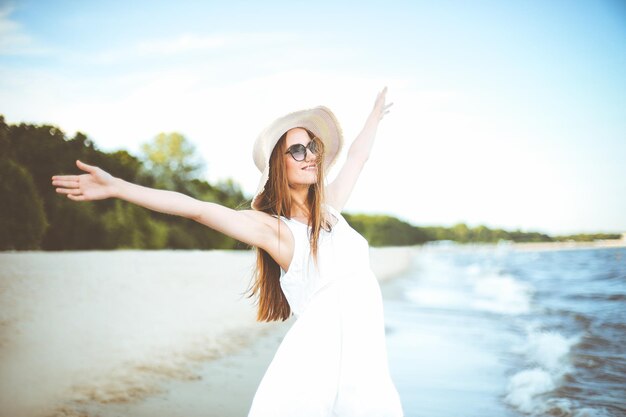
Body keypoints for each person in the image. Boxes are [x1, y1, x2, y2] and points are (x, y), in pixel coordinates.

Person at [51, 87, 404, 417]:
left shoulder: (330, 213)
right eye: (297, 149)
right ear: (278, 165)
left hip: (365, 360)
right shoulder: (275, 230)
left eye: (312, 146)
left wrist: (374, 115)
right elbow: (197, 208)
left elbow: (358, 157)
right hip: (319, 363)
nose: (309, 155)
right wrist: (117, 187)